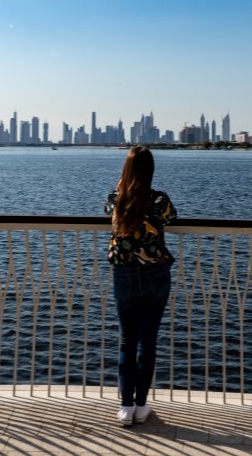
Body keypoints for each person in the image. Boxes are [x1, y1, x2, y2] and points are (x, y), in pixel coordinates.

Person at [104, 146, 177, 426]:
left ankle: (125, 408)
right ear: (150, 171)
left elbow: (108, 212)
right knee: (147, 342)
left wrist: (122, 186)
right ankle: (142, 406)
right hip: (155, 273)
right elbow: (172, 218)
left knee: (127, 340)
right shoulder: (159, 200)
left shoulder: (115, 198)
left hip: (124, 273)